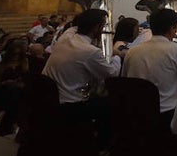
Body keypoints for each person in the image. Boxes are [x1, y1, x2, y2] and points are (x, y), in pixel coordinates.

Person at [42, 8, 120, 147]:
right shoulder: (90, 51)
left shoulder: (66, 36)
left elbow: (74, 28)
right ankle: (99, 147)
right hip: (71, 105)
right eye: (102, 26)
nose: (103, 29)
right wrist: (117, 56)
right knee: (112, 106)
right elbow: (112, 73)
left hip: (49, 97)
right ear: (96, 27)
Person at [122, 8, 177, 128]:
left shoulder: (132, 51)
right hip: (166, 114)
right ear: (173, 28)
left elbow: (125, 80)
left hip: (135, 113)